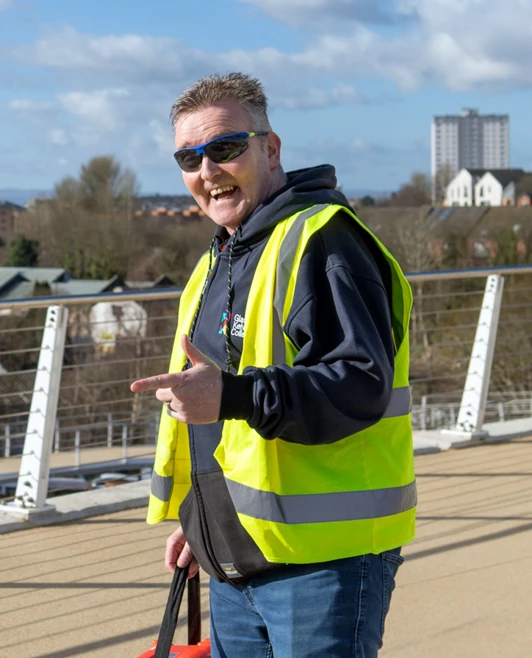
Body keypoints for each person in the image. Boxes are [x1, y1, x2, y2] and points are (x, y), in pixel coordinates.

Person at [131, 72, 416, 658]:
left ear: (272, 148)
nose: (207, 170)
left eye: (226, 148)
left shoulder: (323, 243)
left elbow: (360, 384)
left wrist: (234, 396)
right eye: (189, 156)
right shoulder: (223, 256)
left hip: (321, 565)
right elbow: (215, 421)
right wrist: (201, 518)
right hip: (237, 556)